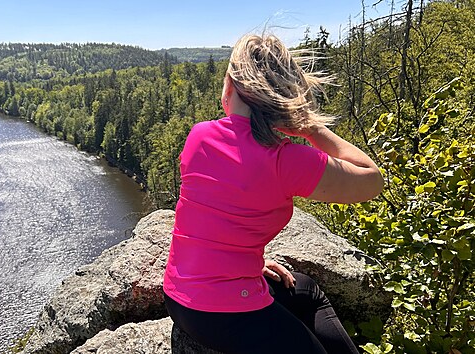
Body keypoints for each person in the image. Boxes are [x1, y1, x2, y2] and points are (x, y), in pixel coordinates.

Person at [162, 33, 384, 354]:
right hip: (224, 315)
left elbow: (214, 212)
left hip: (177, 298)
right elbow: (371, 180)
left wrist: (251, 264)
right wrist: (311, 128)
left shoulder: (199, 136)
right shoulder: (288, 160)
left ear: (228, 87)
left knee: (304, 289)